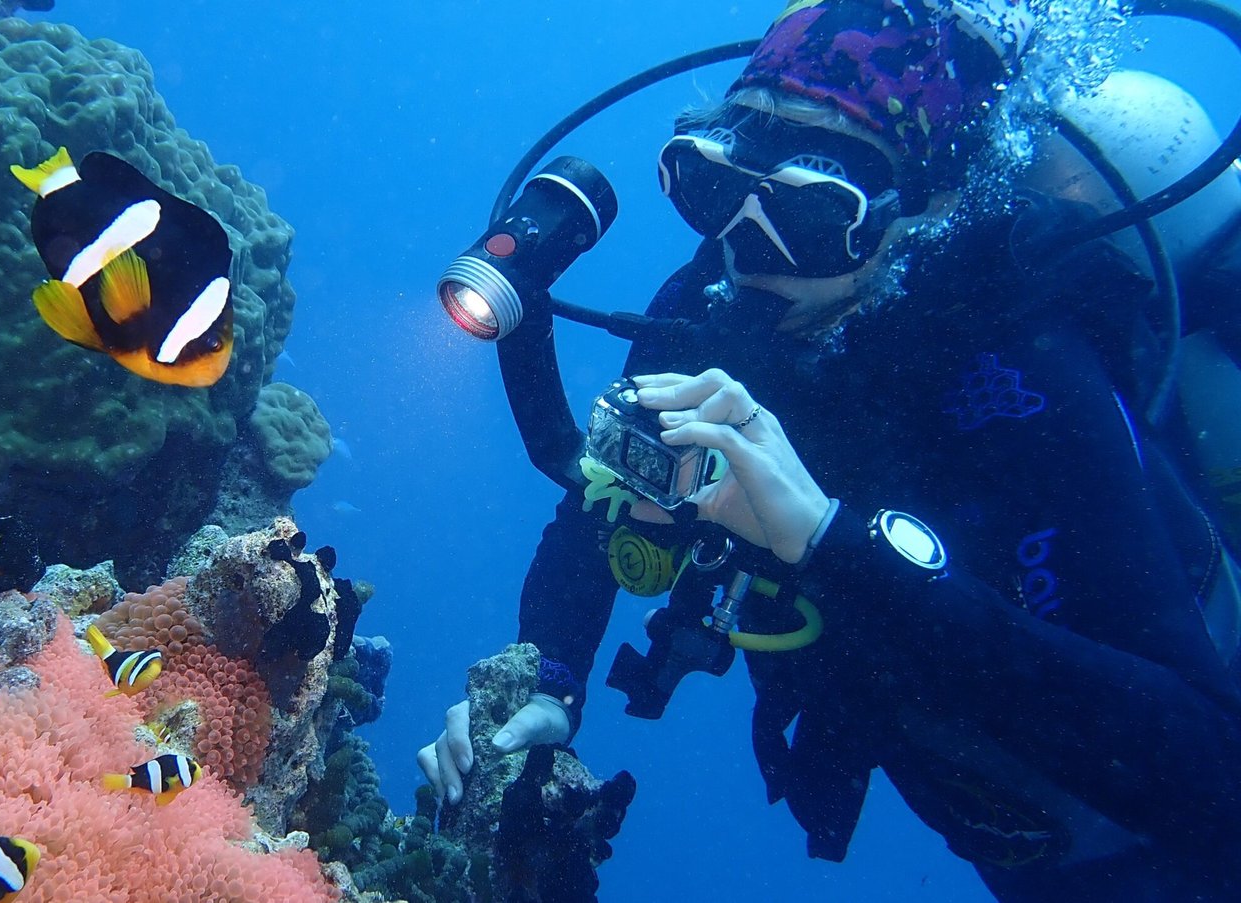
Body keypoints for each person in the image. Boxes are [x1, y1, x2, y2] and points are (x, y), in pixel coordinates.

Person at [418, 0, 1241, 899]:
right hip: (1002, 836)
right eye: (714, 190)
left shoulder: (1021, 368)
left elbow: (1210, 769)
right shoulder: (708, 304)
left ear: (928, 206)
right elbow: (602, 503)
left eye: (812, 214)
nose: (746, 250)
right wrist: (547, 682)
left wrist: (828, 539)